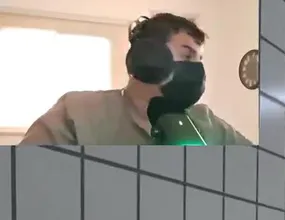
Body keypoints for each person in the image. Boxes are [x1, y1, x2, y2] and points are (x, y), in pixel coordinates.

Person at [20, 14, 252, 145]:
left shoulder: (207, 121)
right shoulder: (77, 112)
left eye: (199, 59)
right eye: (187, 55)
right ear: (147, 55)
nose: (197, 69)